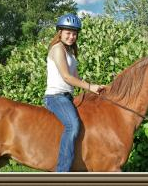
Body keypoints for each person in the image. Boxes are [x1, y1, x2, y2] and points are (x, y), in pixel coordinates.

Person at [43, 13, 105, 172]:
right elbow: (66, 77)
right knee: (73, 125)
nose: (71, 36)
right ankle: (62, 171)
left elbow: (76, 78)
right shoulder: (57, 49)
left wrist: (95, 89)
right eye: (68, 33)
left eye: (74, 33)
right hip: (55, 97)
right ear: (60, 33)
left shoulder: (70, 52)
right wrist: (90, 87)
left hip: (67, 97)